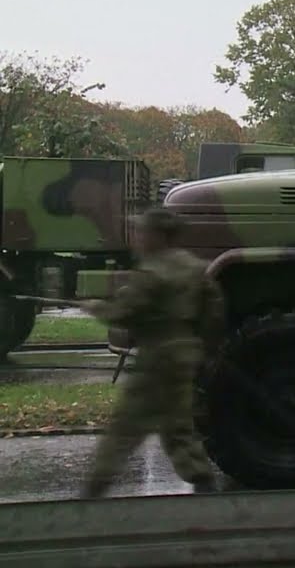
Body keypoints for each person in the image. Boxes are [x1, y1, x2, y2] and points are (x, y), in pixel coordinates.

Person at [79, 207, 221, 498]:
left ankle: (94, 489)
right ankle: (203, 481)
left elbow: (124, 312)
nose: (137, 237)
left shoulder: (151, 271)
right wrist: (202, 344)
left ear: (157, 236)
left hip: (157, 355)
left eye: (141, 232)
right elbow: (214, 310)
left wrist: (95, 307)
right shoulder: (194, 266)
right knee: (177, 423)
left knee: (126, 425)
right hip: (185, 353)